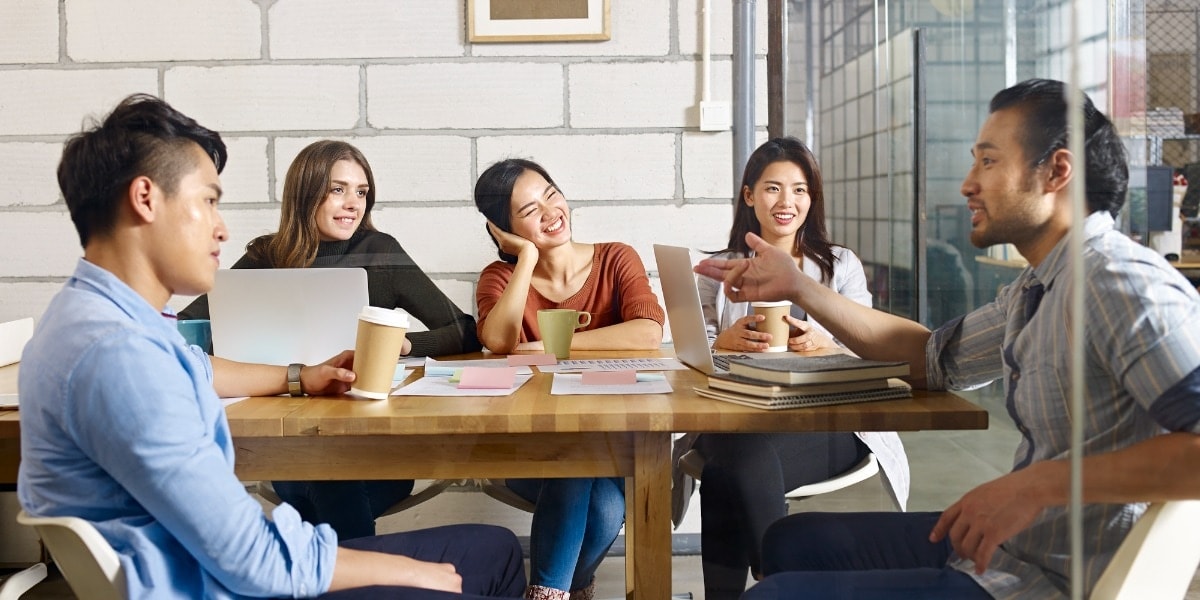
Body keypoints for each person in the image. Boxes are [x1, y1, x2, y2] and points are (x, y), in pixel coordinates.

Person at [695, 79, 1200, 599]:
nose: (966, 184)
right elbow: (931, 358)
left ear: (1057, 172)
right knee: (789, 541)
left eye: (988, 162)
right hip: (1015, 545)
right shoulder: (1035, 288)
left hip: (1050, 578)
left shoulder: (1121, 281)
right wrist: (798, 285)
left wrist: (1039, 485)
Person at [18, 93, 525, 599]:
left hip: (193, 572)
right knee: (490, 558)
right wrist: (408, 573)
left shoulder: (89, 320)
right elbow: (253, 558)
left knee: (476, 544)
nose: (222, 228)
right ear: (146, 199)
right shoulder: (124, 358)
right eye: (208, 201)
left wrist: (299, 376)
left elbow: (195, 364)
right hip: (223, 586)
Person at [180, 139, 481, 540]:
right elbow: (184, 329)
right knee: (319, 476)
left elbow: (466, 330)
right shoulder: (266, 257)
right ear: (306, 193)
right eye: (338, 189)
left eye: (361, 192)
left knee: (324, 484)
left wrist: (404, 345)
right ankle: (361, 579)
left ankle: (334, 576)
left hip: (374, 445)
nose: (353, 203)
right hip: (289, 439)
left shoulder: (380, 253)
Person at [676, 137, 908, 599]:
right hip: (735, 417)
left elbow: (871, 348)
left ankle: (766, 587)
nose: (787, 202)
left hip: (823, 423)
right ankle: (781, 584)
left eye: (800, 190)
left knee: (732, 462)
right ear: (749, 196)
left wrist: (828, 343)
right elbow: (689, 354)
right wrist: (719, 341)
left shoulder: (839, 266)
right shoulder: (718, 270)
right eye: (773, 189)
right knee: (736, 455)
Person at [473, 158, 666, 600]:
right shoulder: (500, 277)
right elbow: (499, 341)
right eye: (528, 211)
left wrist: (553, 347)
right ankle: (568, 591)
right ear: (503, 229)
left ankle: (551, 593)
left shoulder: (617, 258)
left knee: (600, 491)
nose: (549, 211)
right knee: (576, 459)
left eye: (551, 194)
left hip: (615, 444)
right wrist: (525, 259)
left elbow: (648, 332)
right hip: (530, 447)